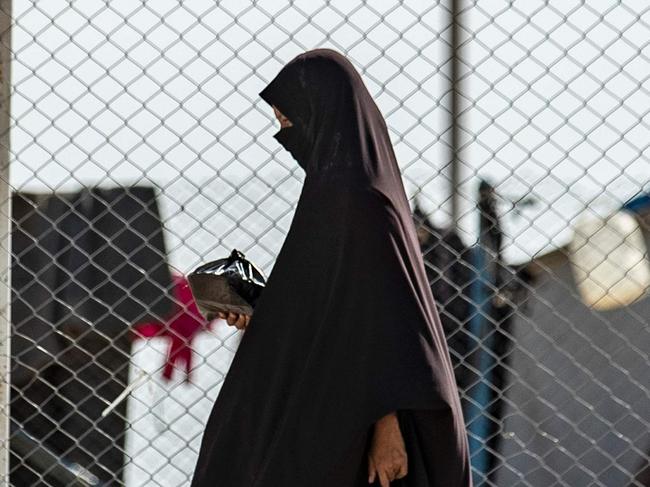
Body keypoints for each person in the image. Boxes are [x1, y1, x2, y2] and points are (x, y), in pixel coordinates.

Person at [190, 48, 472, 487]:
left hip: (367, 421)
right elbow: (335, 313)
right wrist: (263, 313)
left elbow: (387, 322)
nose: (284, 136)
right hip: (342, 407)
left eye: (290, 122)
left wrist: (387, 428)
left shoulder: (359, 200)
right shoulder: (341, 194)